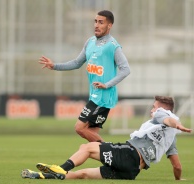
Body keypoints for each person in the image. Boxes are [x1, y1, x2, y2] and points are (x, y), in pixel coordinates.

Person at [21, 96, 192, 180]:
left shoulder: (162, 115)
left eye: (154, 107)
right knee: (83, 174)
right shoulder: (171, 139)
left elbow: (166, 119)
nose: (152, 110)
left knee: (85, 148)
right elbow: (176, 165)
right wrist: (178, 180)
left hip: (129, 154)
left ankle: (60, 168)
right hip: (132, 172)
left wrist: (176, 124)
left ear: (162, 108)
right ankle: (40, 176)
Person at [38, 10, 130, 142]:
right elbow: (76, 63)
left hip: (103, 98)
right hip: (94, 95)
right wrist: (54, 66)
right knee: (92, 139)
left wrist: (107, 84)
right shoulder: (90, 42)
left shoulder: (113, 46)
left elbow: (125, 69)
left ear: (109, 26)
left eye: (101, 22)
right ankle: (109, 159)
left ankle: (113, 153)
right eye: (95, 21)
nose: (96, 25)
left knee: (79, 128)